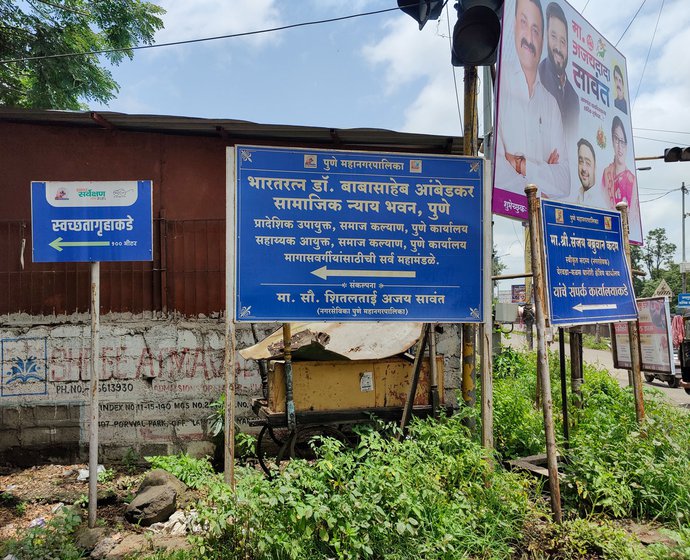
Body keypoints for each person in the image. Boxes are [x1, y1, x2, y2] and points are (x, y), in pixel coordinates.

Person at [495, 0, 570, 200]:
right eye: (524, 23)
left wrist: (520, 165)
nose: (529, 37)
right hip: (519, 208)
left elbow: (564, 182)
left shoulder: (550, 103)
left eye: (536, 30)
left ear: (543, 39)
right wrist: (544, 175)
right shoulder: (500, 83)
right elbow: (499, 175)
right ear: (513, 26)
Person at [538, 2, 579, 139]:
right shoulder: (536, 79)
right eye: (554, 37)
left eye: (563, 41)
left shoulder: (574, 98)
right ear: (546, 37)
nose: (559, 48)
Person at [601, 116, 639, 230]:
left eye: (623, 141)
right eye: (617, 139)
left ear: (627, 145)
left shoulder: (631, 181)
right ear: (612, 141)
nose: (619, 147)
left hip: (622, 231)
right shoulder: (606, 173)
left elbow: (632, 220)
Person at [572, 138, 605, 206]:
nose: (583, 168)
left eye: (587, 163)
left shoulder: (601, 203)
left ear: (595, 166)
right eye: (581, 161)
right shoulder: (576, 196)